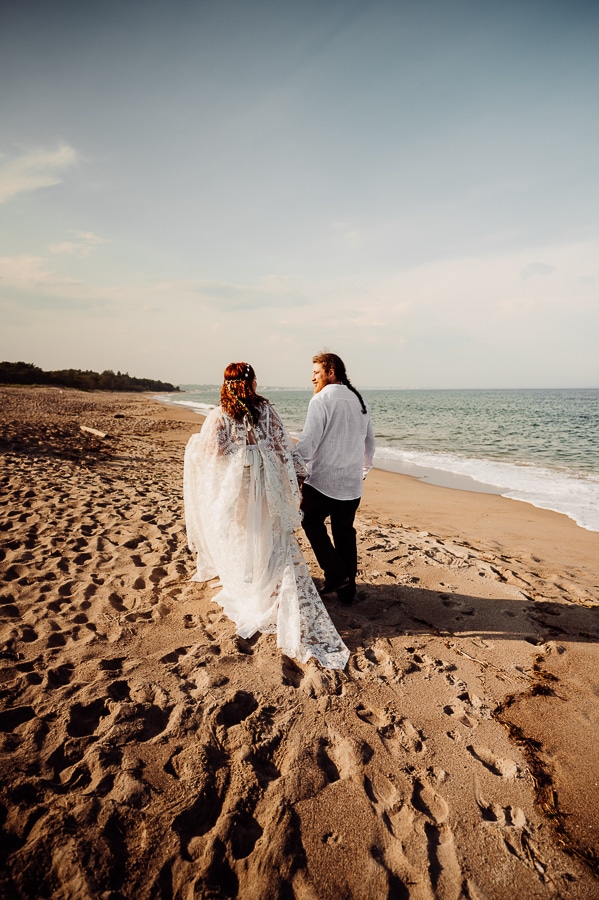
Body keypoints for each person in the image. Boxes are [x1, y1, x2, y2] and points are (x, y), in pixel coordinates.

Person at [184, 362, 349, 670]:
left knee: (247, 534)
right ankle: (273, 588)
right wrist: (289, 476)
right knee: (269, 535)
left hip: (242, 487)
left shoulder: (220, 415)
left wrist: (232, 453)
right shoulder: (267, 411)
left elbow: (212, 453)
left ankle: (254, 587)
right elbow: (280, 446)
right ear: (254, 382)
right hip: (267, 484)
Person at [296, 352, 375, 607]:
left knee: (310, 520)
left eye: (316, 373)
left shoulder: (321, 400)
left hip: (322, 481)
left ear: (331, 372)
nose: (312, 378)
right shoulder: (359, 400)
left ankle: (337, 574)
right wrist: (362, 471)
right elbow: (369, 442)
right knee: (344, 533)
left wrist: (296, 468)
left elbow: (308, 442)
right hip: (351, 484)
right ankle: (347, 589)